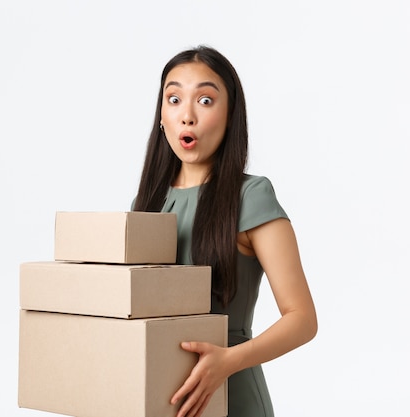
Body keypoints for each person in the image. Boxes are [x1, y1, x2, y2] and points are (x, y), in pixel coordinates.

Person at [132, 45, 317, 417]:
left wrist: (228, 361)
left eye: (204, 100)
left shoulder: (250, 196)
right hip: (159, 399)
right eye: (173, 98)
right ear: (161, 117)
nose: (187, 115)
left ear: (231, 115)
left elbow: (302, 319)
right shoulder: (147, 203)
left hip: (232, 398)